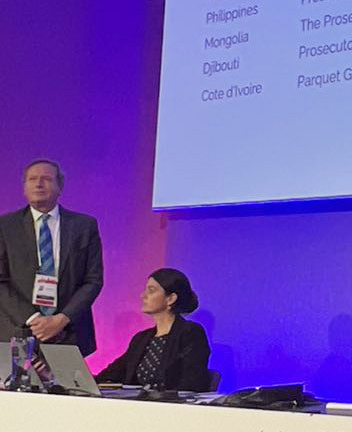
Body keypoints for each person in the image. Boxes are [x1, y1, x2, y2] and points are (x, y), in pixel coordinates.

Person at [0, 159, 104, 356]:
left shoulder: (84, 226)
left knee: (66, 378)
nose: (39, 184)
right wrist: (34, 319)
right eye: (32, 179)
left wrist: (62, 319)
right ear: (24, 188)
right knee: (18, 377)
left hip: (69, 333)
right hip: (19, 331)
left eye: (46, 179)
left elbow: (93, 280)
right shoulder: (5, 226)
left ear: (60, 186)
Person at [94, 269, 212, 391]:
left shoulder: (190, 332)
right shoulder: (141, 339)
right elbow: (113, 373)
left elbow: (191, 381)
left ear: (171, 299)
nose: (143, 296)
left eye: (151, 290)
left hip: (172, 402)